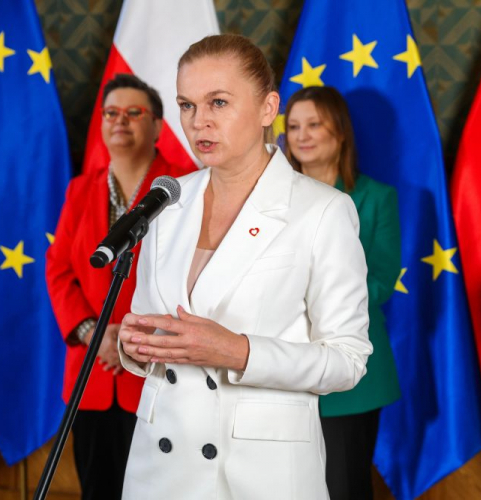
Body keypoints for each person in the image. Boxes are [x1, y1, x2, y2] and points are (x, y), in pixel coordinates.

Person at [116, 34, 372, 500]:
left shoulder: (322, 211)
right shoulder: (165, 202)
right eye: (186, 105)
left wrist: (238, 351)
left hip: (260, 474)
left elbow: (348, 361)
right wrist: (133, 345)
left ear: (267, 108)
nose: (199, 122)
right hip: (159, 469)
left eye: (218, 102)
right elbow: (151, 330)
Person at [46, 73, 193, 499]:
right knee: (97, 490)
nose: (120, 121)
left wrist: (133, 338)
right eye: (111, 113)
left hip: (157, 374)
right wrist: (95, 334)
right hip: (92, 374)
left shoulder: (185, 188)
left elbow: (195, 277)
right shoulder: (79, 191)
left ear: (158, 126)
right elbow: (58, 270)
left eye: (134, 113)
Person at [284, 86, 401, 500]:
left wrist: (297, 301)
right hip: (280, 370)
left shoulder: (376, 198)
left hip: (352, 374)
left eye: (314, 124)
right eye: (294, 126)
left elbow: (381, 282)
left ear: (340, 131)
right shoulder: (270, 201)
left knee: (345, 488)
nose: (302, 135)